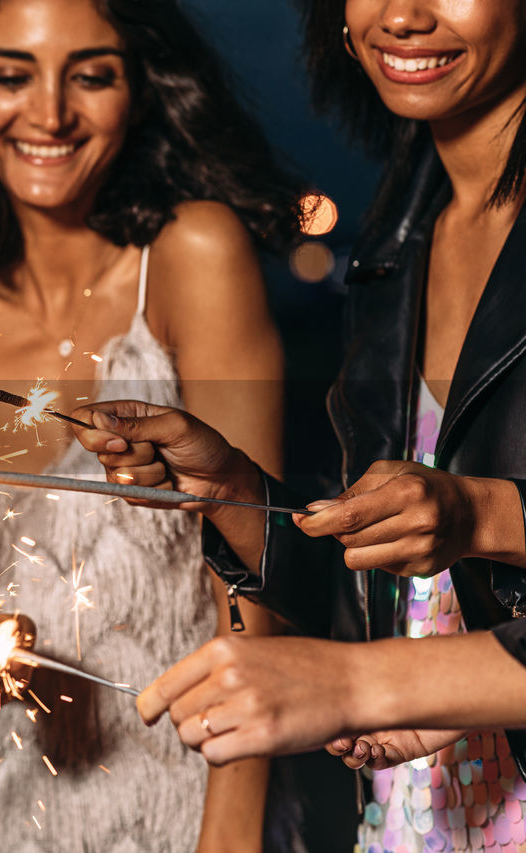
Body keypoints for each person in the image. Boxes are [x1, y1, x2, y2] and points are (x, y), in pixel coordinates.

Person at [71, 0, 526, 849]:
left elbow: (373, 663)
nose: (404, 14)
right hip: (420, 819)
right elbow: (400, 605)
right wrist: (238, 494)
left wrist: (363, 681)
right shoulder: (404, 227)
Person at [0, 0, 305, 849]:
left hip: (190, 794)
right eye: (10, 76)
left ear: (140, 88)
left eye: (91, 74)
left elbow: (257, 563)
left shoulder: (190, 256)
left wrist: (234, 828)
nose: (51, 112)